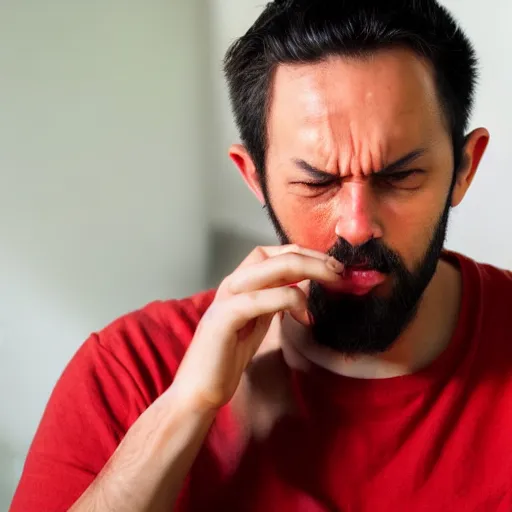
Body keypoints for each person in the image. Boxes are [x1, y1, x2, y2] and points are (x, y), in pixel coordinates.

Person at [10, 0, 512, 510]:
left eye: (400, 176)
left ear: (464, 169)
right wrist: (186, 410)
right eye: (317, 182)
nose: (357, 226)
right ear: (255, 177)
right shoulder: (126, 372)